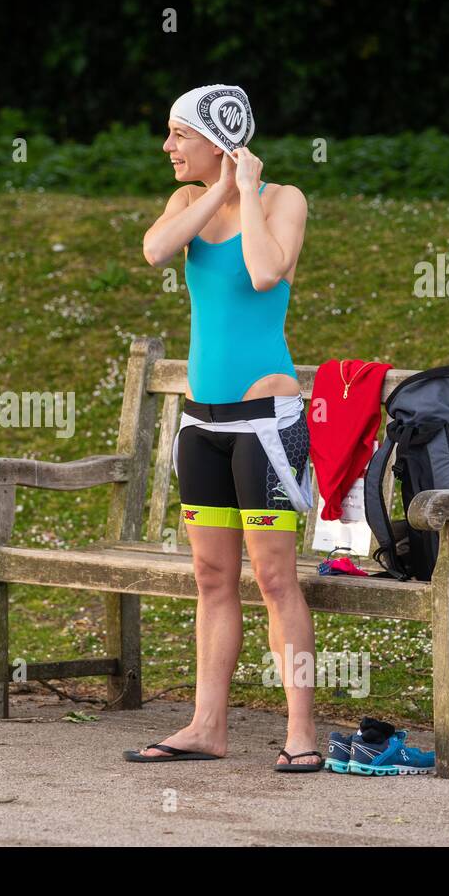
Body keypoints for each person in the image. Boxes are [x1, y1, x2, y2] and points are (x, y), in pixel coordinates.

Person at [127, 85, 320, 771]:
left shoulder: (284, 201)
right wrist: (217, 191)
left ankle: (302, 732)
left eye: (179, 135)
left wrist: (248, 188)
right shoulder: (186, 203)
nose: (167, 147)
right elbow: (154, 251)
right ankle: (207, 725)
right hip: (202, 424)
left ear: (216, 139)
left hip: (265, 425)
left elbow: (268, 272)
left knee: (273, 580)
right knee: (212, 575)